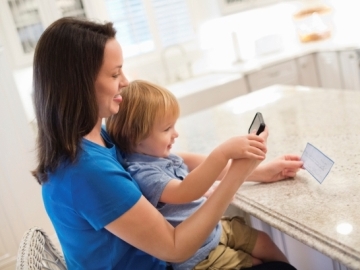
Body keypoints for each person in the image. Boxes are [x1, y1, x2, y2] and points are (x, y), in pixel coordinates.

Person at [32, 17, 303, 270]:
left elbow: (175, 162)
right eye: (115, 75)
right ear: (79, 85)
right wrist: (237, 172)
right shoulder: (85, 172)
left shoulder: (96, 137)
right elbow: (175, 248)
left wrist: (259, 172)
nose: (125, 83)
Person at [106, 80, 294, 269]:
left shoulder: (158, 155)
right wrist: (222, 153)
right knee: (254, 262)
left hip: (215, 230)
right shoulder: (143, 173)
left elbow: (200, 166)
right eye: (166, 129)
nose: (175, 134)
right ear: (135, 137)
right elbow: (186, 191)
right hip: (200, 257)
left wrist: (262, 172)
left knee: (264, 241)